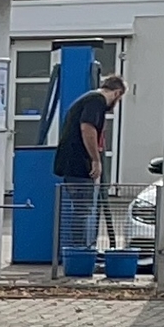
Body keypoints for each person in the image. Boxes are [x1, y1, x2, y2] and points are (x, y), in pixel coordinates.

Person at [54, 75, 127, 255]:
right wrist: (95, 159)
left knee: (80, 208)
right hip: (79, 163)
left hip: (70, 162)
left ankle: (80, 250)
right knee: (82, 209)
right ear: (117, 93)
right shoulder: (97, 101)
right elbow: (87, 128)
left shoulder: (88, 99)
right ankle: (80, 252)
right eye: (119, 99)